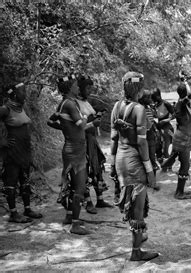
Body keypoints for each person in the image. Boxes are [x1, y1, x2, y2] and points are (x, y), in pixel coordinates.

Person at [110, 71, 159, 260]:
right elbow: (142, 142)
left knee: (133, 202)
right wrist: (149, 169)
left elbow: (114, 138)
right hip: (134, 161)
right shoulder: (138, 109)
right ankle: (136, 252)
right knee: (137, 208)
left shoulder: (116, 106)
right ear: (139, 88)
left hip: (121, 158)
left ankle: (138, 239)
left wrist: (112, 163)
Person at [47, 74, 90, 235]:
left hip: (71, 148)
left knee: (72, 185)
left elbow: (50, 121)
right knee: (79, 186)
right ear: (70, 87)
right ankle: (75, 225)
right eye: (75, 85)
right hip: (75, 150)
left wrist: (66, 129)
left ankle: (70, 215)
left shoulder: (63, 103)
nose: (78, 87)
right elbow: (81, 123)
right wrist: (86, 115)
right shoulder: (71, 105)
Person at [0, 83, 43, 223]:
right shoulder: (5, 109)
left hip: (24, 151)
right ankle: (13, 213)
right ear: (14, 94)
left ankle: (27, 209)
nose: (25, 93)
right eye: (22, 91)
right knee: (11, 182)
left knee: (25, 181)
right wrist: (2, 141)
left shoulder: (21, 108)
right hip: (12, 152)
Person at [75, 75, 114, 214]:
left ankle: (100, 199)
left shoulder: (88, 101)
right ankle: (88, 202)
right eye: (87, 88)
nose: (90, 91)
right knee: (84, 171)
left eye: (91, 88)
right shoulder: (74, 103)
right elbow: (75, 125)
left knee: (97, 169)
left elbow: (98, 109)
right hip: (81, 142)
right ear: (79, 88)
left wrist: (98, 115)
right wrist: (92, 122)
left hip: (91, 139)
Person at [160, 83, 191, 200]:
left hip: (181, 138)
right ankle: (179, 193)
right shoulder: (182, 103)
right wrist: (186, 82)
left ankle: (181, 190)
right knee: (185, 165)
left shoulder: (181, 103)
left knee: (184, 164)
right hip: (182, 139)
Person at [138, 89, 161, 190]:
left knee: (152, 158)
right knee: (145, 158)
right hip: (144, 137)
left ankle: (152, 181)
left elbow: (153, 120)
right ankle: (148, 180)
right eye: (147, 98)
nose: (150, 99)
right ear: (142, 99)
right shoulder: (140, 109)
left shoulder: (149, 108)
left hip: (151, 136)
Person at [152, 88, 174, 171]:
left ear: (158, 96)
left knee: (165, 149)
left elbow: (175, 114)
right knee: (159, 149)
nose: (152, 100)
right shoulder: (155, 105)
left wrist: (165, 120)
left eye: (153, 98)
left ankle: (168, 165)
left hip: (167, 129)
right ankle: (164, 165)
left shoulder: (166, 104)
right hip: (159, 128)